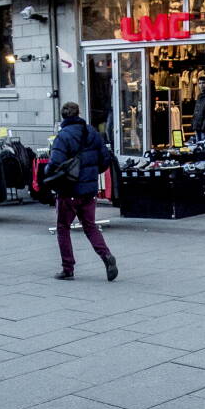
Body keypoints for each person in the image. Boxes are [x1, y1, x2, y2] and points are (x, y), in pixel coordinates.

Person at [47, 101, 118, 281]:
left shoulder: (62, 137)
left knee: (63, 227)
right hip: (89, 189)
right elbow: (104, 160)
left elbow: (54, 164)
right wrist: (92, 174)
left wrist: (47, 176)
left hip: (68, 189)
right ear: (78, 113)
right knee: (90, 226)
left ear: (63, 117)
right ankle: (106, 256)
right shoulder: (91, 132)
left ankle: (68, 267)